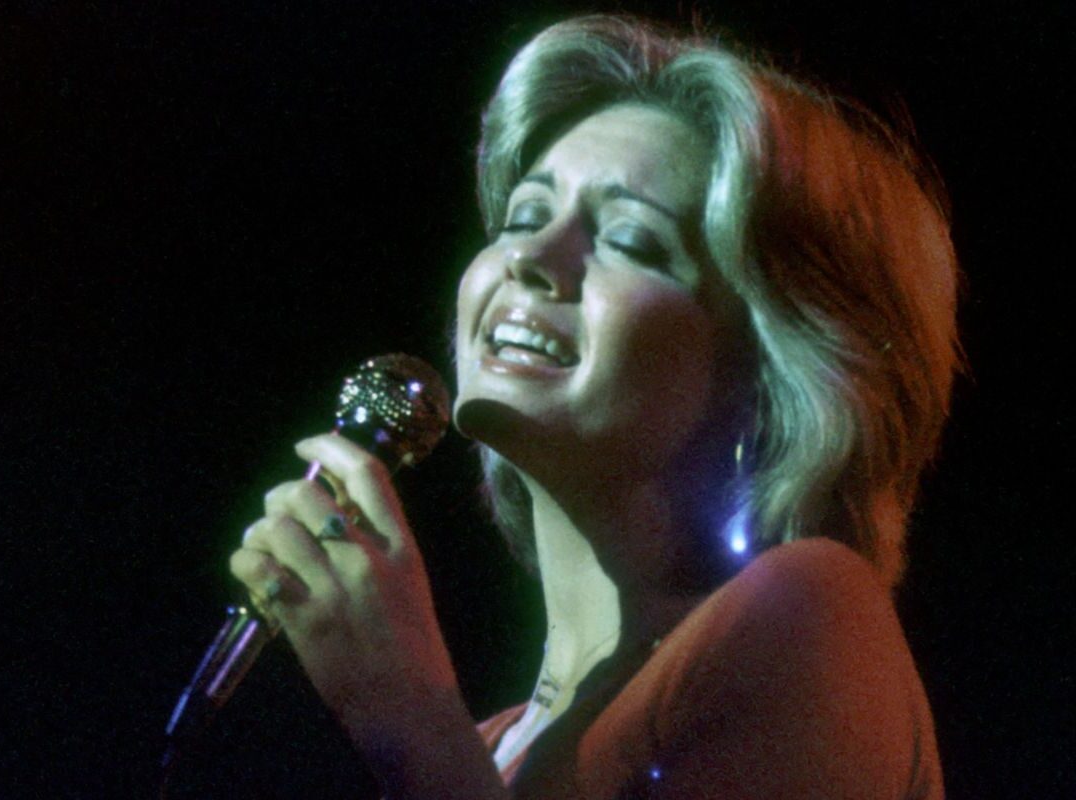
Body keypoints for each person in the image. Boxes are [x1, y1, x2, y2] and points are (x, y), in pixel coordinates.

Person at [230, 15, 955, 798]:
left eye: (632, 241)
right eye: (523, 217)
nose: (530, 258)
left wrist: (407, 713)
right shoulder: (484, 751)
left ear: (773, 374)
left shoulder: (812, 617)